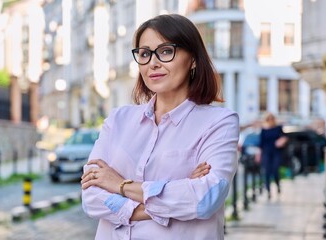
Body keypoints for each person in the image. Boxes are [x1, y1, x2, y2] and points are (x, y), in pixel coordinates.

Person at [80, 14, 239, 240]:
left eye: (166, 51)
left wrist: (120, 186)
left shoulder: (219, 123)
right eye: (144, 54)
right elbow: (91, 198)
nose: (153, 63)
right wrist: (177, 192)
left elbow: (206, 198)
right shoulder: (118, 119)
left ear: (192, 59)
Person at [259, 112, 286, 199]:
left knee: (275, 170)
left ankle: (278, 185)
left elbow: (285, 137)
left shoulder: (278, 128)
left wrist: (281, 141)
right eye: (268, 119)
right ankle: (268, 191)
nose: (270, 121)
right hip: (266, 152)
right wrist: (259, 154)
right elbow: (261, 143)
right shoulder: (263, 129)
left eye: (272, 119)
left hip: (276, 152)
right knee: (267, 171)